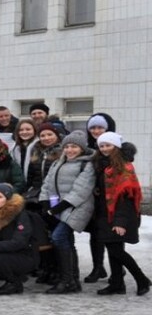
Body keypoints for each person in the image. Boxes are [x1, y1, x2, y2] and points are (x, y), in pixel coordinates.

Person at [39, 130, 96, 294]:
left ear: (82, 149)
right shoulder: (58, 162)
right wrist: (45, 203)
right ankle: (72, 280)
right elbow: (47, 183)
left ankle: (67, 280)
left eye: (74, 147)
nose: (70, 150)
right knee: (66, 241)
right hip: (57, 207)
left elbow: (81, 191)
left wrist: (57, 208)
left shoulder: (87, 164)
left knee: (59, 237)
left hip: (76, 208)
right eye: (67, 146)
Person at [93, 132, 150, 296]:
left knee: (117, 250)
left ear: (116, 147)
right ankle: (117, 284)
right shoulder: (104, 164)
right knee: (113, 249)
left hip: (119, 215)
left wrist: (120, 222)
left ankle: (141, 278)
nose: (104, 149)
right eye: (101, 146)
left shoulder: (124, 167)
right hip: (105, 213)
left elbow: (126, 198)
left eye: (108, 145)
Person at [24, 122, 63, 285]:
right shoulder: (36, 151)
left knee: (57, 236)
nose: (46, 138)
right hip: (37, 197)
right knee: (41, 236)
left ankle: (59, 270)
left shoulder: (63, 151)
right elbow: (33, 177)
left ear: (57, 136)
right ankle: (46, 268)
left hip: (56, 198)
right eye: (43, 135)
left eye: (50, 134)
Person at [83, 112, 117, 283]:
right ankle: (98, 268)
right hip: (92, 200)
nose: (96, 131)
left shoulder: (116, 147)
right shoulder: (88, 148)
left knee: (112, 237)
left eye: (100, 127)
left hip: (111, 200)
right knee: (95, 235)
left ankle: (117, 272)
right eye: (93, 128)